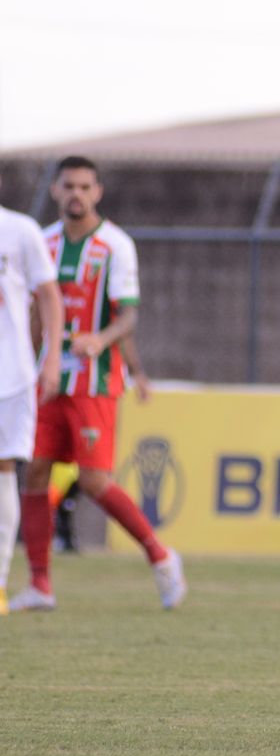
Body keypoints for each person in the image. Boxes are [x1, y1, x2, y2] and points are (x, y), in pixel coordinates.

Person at [10, 157, 186, 613]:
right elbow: (35, 311)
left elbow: (127, 315)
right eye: (69, 186)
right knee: (34, 471)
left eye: (85, 187)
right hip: (49, 379)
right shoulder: (42, 241)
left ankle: (161, 556)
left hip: (95, 381)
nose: (77, 194)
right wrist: (28, 365)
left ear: (98, 192)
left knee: (93, 480)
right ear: (55, 190)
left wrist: (105, 344)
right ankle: (40, 584)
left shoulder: (115, 246)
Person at [0, 180, 64, 615]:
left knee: (4, 468)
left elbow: (49, 297)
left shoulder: (20, 230)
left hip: (10, 375)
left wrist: (52, 356)